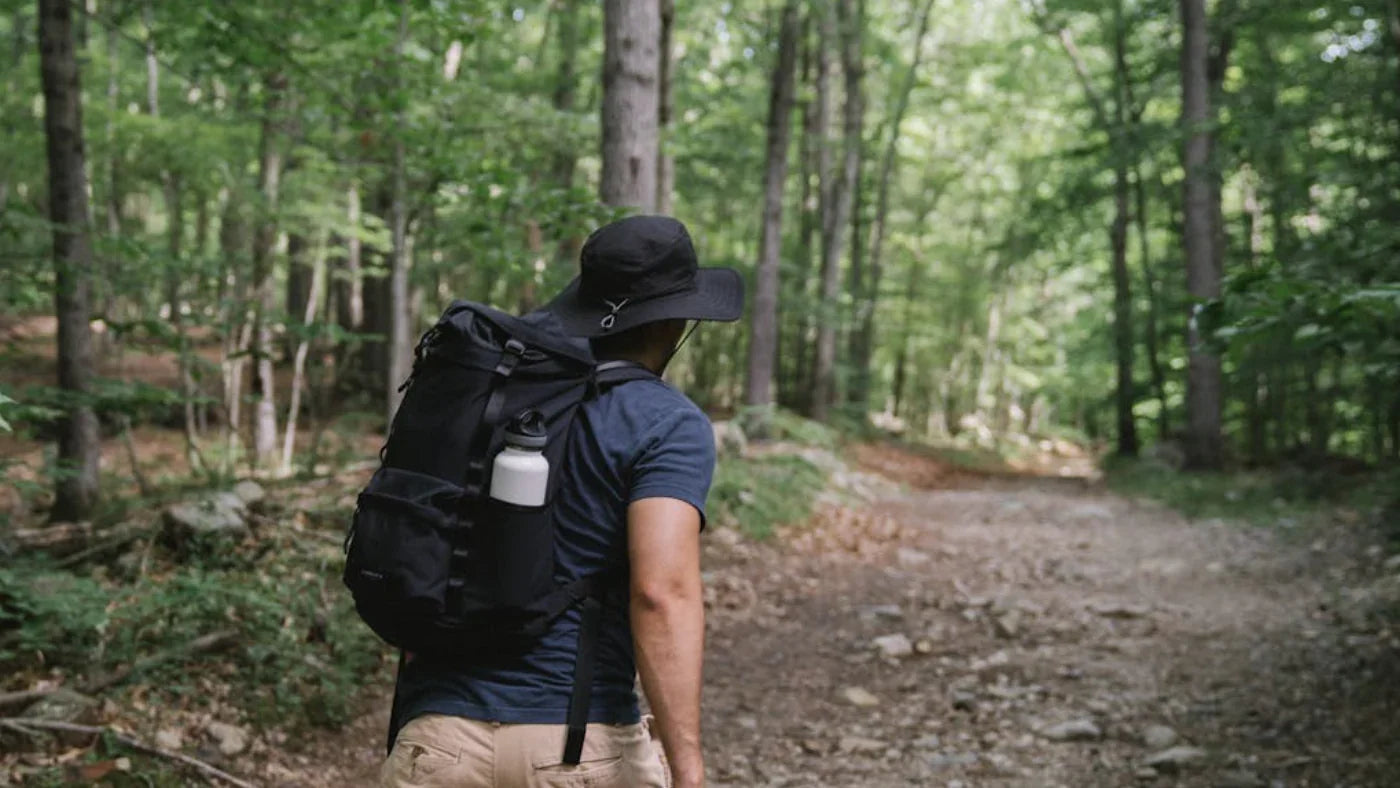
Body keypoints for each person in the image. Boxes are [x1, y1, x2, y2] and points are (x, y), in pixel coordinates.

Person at [379, 215, 744, 788]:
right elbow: (661, 594)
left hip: (437, 739)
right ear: (673, 320)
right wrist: (689, 769)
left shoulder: (486, 399)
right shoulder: (667, 423)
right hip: (575, 748)